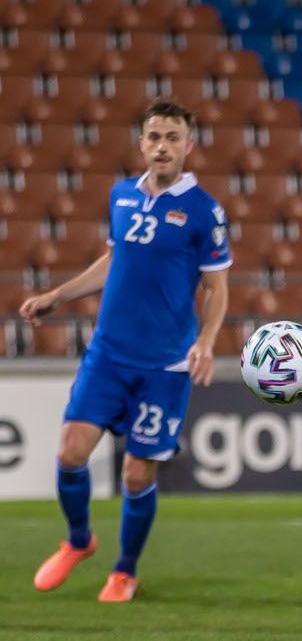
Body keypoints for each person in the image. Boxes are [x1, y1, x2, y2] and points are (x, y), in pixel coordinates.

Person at [19, 98, 230, 602]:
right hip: (108, 355)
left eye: (172, 138)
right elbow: (113, 262)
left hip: (164, 366)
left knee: (137, 473)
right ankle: (78, 541)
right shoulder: (121, 196)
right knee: (70, 453)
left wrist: (205, 340)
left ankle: (125, 570)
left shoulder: (205, 211)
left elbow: (217, 288)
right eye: (154, 137)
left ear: (188, 146)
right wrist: (57, 295)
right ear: (141, 143)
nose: (162, 146)